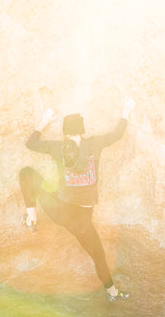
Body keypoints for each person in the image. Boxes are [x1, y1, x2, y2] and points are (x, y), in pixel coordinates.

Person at [19, 97, 135, 301]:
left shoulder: (57, 147)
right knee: (98, 256)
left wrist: (44, 121)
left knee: (27, 174)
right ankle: (112, 292)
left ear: (65, 132)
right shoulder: (95, 144)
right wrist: (126, 110)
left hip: (58, 211)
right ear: (82, 130)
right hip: (81, 221)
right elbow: (117, 134)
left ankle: (31, 218)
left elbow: (31, 144)